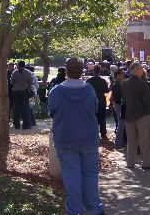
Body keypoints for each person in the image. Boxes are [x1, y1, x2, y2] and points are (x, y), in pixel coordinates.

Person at [48, 58, 104, 215]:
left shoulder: (56, 92)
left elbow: (51, 112)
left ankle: (74, 210)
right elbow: (95, 109)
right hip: (88, 138)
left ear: (66, 70)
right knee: (91, 173)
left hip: (65, 138)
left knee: (71, 174)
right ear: (82, 71)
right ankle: (94, 207)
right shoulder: (89, 90)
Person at [121, 61, 150, 170]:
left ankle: (130, 163)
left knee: (131, 141)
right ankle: (146, 163)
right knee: (144, 139)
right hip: (142, 114)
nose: (143, 70)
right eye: (141, 68)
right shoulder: (142, 83)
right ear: (136, 70)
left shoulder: (124, 83)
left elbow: (123, 99)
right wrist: (149, 112)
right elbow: (148, 101)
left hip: (129, 114)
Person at [86, 65, 109, 139]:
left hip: (92, 100)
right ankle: (103, 133)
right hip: (101, 100)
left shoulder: (89, 81)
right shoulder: (102, 81)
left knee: (93, 117)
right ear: (99, 72)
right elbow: (106, 90)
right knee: (102, 117)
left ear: (93, 71)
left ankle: (94, 133)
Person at [10, 60, 33, 129]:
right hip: (24, 91)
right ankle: (26, 125)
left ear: (18, 65)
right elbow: (31, 83)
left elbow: (11, 82)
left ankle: (17, 125)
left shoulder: (14, 72)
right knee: (25, 108)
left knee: (16, 108)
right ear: (24, 65)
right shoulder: (28, 72)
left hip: (15, 91)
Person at [111, 68, 125, 149]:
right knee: (121, 124)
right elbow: (117, 98)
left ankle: (121, 142)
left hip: (119, 105)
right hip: (119, 106)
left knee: (122, 124)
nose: (123, 76)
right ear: (118, 76)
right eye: (122, 74)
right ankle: (118, 143)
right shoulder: (116, 85)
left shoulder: (119, 84)